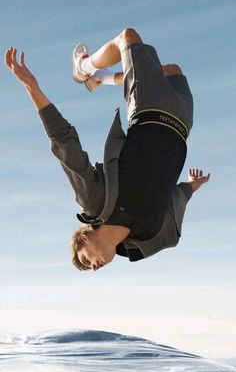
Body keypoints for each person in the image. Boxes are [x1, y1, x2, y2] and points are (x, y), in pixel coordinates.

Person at [5, 28, 210, 272]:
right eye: (93, 268)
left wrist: (32, 87)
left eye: (85, 260)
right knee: (171, 71)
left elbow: (64, 144)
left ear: (84, 238)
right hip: (181, 123)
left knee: (128, 38)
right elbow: (174, 198)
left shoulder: (95, 202)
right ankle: (104, 79)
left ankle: (85, 68)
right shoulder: (146, 236)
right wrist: (193, 185)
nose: (94, 267)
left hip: (148, 111)